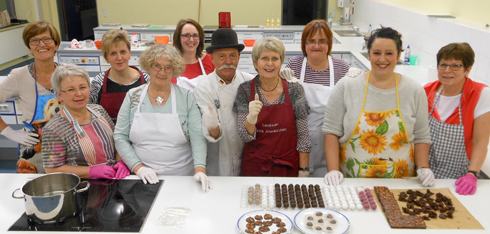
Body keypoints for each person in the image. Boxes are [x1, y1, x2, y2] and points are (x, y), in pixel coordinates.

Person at [322, 27, 435, 186]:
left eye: (389, 53)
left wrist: (424, 167)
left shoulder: (414, 90)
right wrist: (333, 169)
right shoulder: (347, 87)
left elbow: (422, 136)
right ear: (368, 55)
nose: (382, 59)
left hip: (401, 185)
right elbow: (331, 132)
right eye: (376, 53)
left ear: (398, 55)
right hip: (352, 183)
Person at [114, 45, 212, 192]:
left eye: (168, 67)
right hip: (141, 179)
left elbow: (197, 136)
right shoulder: (132, 96)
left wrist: (200, 170)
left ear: (175, 71)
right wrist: (138, 168)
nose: (162, 72)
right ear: (148, 66)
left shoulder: (186, 97)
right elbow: (120, 136)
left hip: (182, 177)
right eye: (157, 66)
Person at [285, 19, 360, 177]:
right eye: (311, 41)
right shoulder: (295, 64)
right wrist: (280, 78)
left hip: (330, 139)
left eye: (322, 41)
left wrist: (359, 80)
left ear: (329, 44)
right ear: (304, 44)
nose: (316, 46)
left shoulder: (341, 67)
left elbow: (351, 106)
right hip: (299, 140)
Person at [234, 37, 311, 177]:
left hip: (288, 166)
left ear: (281, 62)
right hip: (255, 167)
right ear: (255, 63)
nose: (270, 64)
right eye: (264, 58)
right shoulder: (245, 90)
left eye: (275, 58)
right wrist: (251, 118)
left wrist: (304, 170)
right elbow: (245, 136)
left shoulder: (295, 90)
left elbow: (303, 136)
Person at [42, 64, 130, 179]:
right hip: (82, 187)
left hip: (113, 178)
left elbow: (117, 140)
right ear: (59, 95)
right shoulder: (54, 129)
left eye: (83, 87)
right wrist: (91, 171)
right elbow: (51, 169)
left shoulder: (99, 111)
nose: (79, 94)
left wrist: (120, 161)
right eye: (70, 90)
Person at [425, 43, 490, 195]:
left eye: (455, 66)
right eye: (443, 65)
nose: (447, 71)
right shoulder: (427, 91)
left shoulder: (481, 94)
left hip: (459, 179)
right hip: (426, 174)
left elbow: (480, 141)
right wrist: (422, 169)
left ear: (468, 69)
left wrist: (472, 174)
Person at [0, 21, 62, 174]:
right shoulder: (19, 75)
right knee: (33, 192)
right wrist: (9, 132)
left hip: (65, 145)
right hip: (33, 147)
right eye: (34, 40)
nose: (41, 44)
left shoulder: (67, 74)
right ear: (29, 47)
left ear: (56, 44)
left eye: (47, 39)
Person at [193, 28, 254, 176]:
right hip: (218, 162)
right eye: (222, 56)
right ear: (212, 58)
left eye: (232, 55)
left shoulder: (250, 81)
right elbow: (212, 134)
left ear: (239, 57)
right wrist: (212, 125)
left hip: (249, 159)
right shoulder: (203, 88)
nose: (228, 62)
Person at [89, 29, 149, 124]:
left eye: (123, 52)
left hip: (142, 136)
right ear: (106, 58)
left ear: (129, 53)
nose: (119, 58)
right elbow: (89, 114)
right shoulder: (98, 83)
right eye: (113, 53)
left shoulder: (147, 80)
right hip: (109, 137)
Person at [173, 18, 214, 83]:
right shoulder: (170, 63)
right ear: (178, 38)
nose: (191, 40)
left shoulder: (210, 60)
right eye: (186, 35)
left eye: (195, 35)